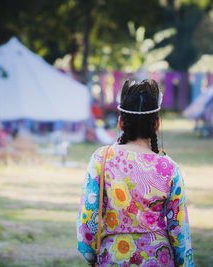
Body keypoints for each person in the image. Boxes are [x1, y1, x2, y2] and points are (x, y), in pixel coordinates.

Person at [76, 79, 193, 266]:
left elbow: (88, 218)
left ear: (121, 122)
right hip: (158, 258)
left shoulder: (101, 159)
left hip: (113, 257)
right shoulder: (170, 168)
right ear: (157, 124)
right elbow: (179, 229)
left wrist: (91, 255)